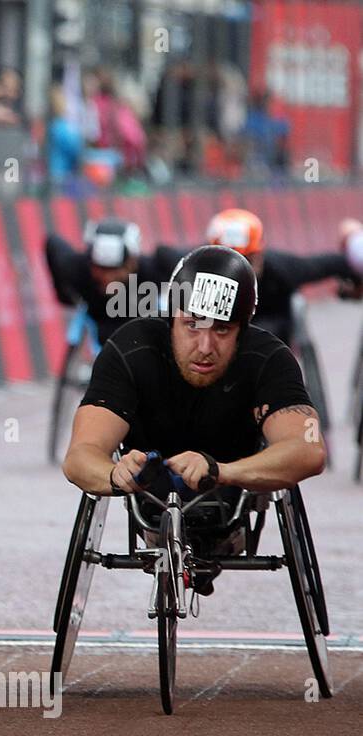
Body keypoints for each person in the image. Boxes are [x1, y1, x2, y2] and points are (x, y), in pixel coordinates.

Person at [62, 244, 325, 593]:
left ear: (243, 329)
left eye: (221, 330)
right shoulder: (130, 348)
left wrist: (221, 471)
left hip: (230, 490)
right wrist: (113, 473)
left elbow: (309, 450)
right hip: (150, 488)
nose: (204, 346)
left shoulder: (269, 357)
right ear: (172, 316)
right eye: (192, 325)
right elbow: (80, 455)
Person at [155, 208, 361, 345]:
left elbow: (335, 263)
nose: (234, 274)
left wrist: (355, 286)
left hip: (267, 335)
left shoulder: (283, 270)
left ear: (259, 256)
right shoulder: (192, 264)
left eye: (246, 262)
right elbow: (159, 257)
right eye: (224, 263)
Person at [45, 218, 172, 348]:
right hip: (100, 327)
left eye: (114, 269)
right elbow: (52, 243)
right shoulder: (77, 268)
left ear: (132, 262)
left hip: (141, 330)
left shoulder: (151, 270)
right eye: (100, 268)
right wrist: (64, 295)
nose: (107, 277)